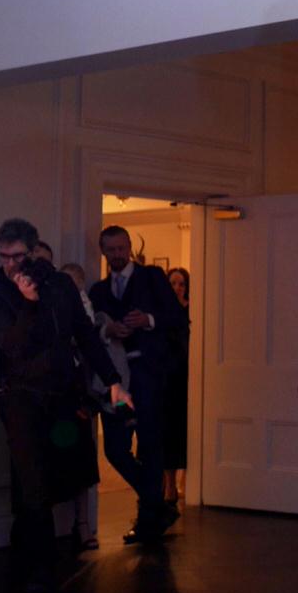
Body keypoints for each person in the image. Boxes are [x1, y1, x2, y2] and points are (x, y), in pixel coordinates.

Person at [0, 218, 129, 593]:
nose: (9, 264)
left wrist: (113, 380)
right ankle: (39, 568)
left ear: (32, 252)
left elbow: (85, 336)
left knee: (59, 474)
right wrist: (28, 305)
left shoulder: (60, 285)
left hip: (62, 397)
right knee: (31, 482)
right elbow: (11, 344)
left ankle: (32, 551)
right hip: (19, 397)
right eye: (3, 256)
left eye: (16, 256)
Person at [89, 225, 187, 543]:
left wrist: (148, 320)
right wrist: (108, 331)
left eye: (122, 248)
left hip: (149, 377)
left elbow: (177, 318)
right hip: (116, 381)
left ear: (129, 247)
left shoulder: (153, 277)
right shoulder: (99, 291)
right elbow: (89, 333)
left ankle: (148, 520)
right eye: (111, 250)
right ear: (103, 251)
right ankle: (156, 505)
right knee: (115, 448)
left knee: (150, 446)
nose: (117, 255)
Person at [58, 262, 103, 551]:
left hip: (80, 390)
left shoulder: (88, 312)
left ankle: (83, 522)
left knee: (84, 458)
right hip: (56, 393)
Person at [162, 267, 193, 503]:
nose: (177, 287)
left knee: (188, 430)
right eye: (173, 283)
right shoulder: (161, 310)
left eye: (181, 283)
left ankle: (186, 481)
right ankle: (168, 484)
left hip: (188, 376)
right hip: (167, 378)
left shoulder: (193, 309)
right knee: (168, 433)